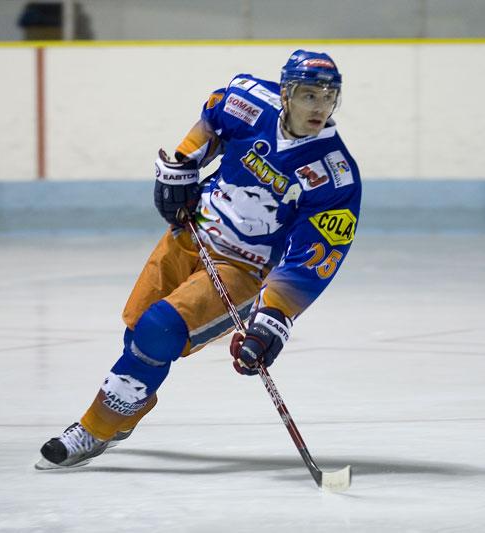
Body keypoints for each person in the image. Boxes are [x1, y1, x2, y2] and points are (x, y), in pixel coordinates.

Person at [36, 50, 361, 469]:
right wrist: (184, 165)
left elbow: (314, 257)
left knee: (158, 329)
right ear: (286, 94)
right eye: (309, 95)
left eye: (329, 97)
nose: (319, 107)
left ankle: (94, 429)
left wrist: (273, 318)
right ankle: (129, 408)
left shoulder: (335, 175)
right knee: (138, 327)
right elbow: (212, 121)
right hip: (190, 232)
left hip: (242, 268)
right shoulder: (247, 101)